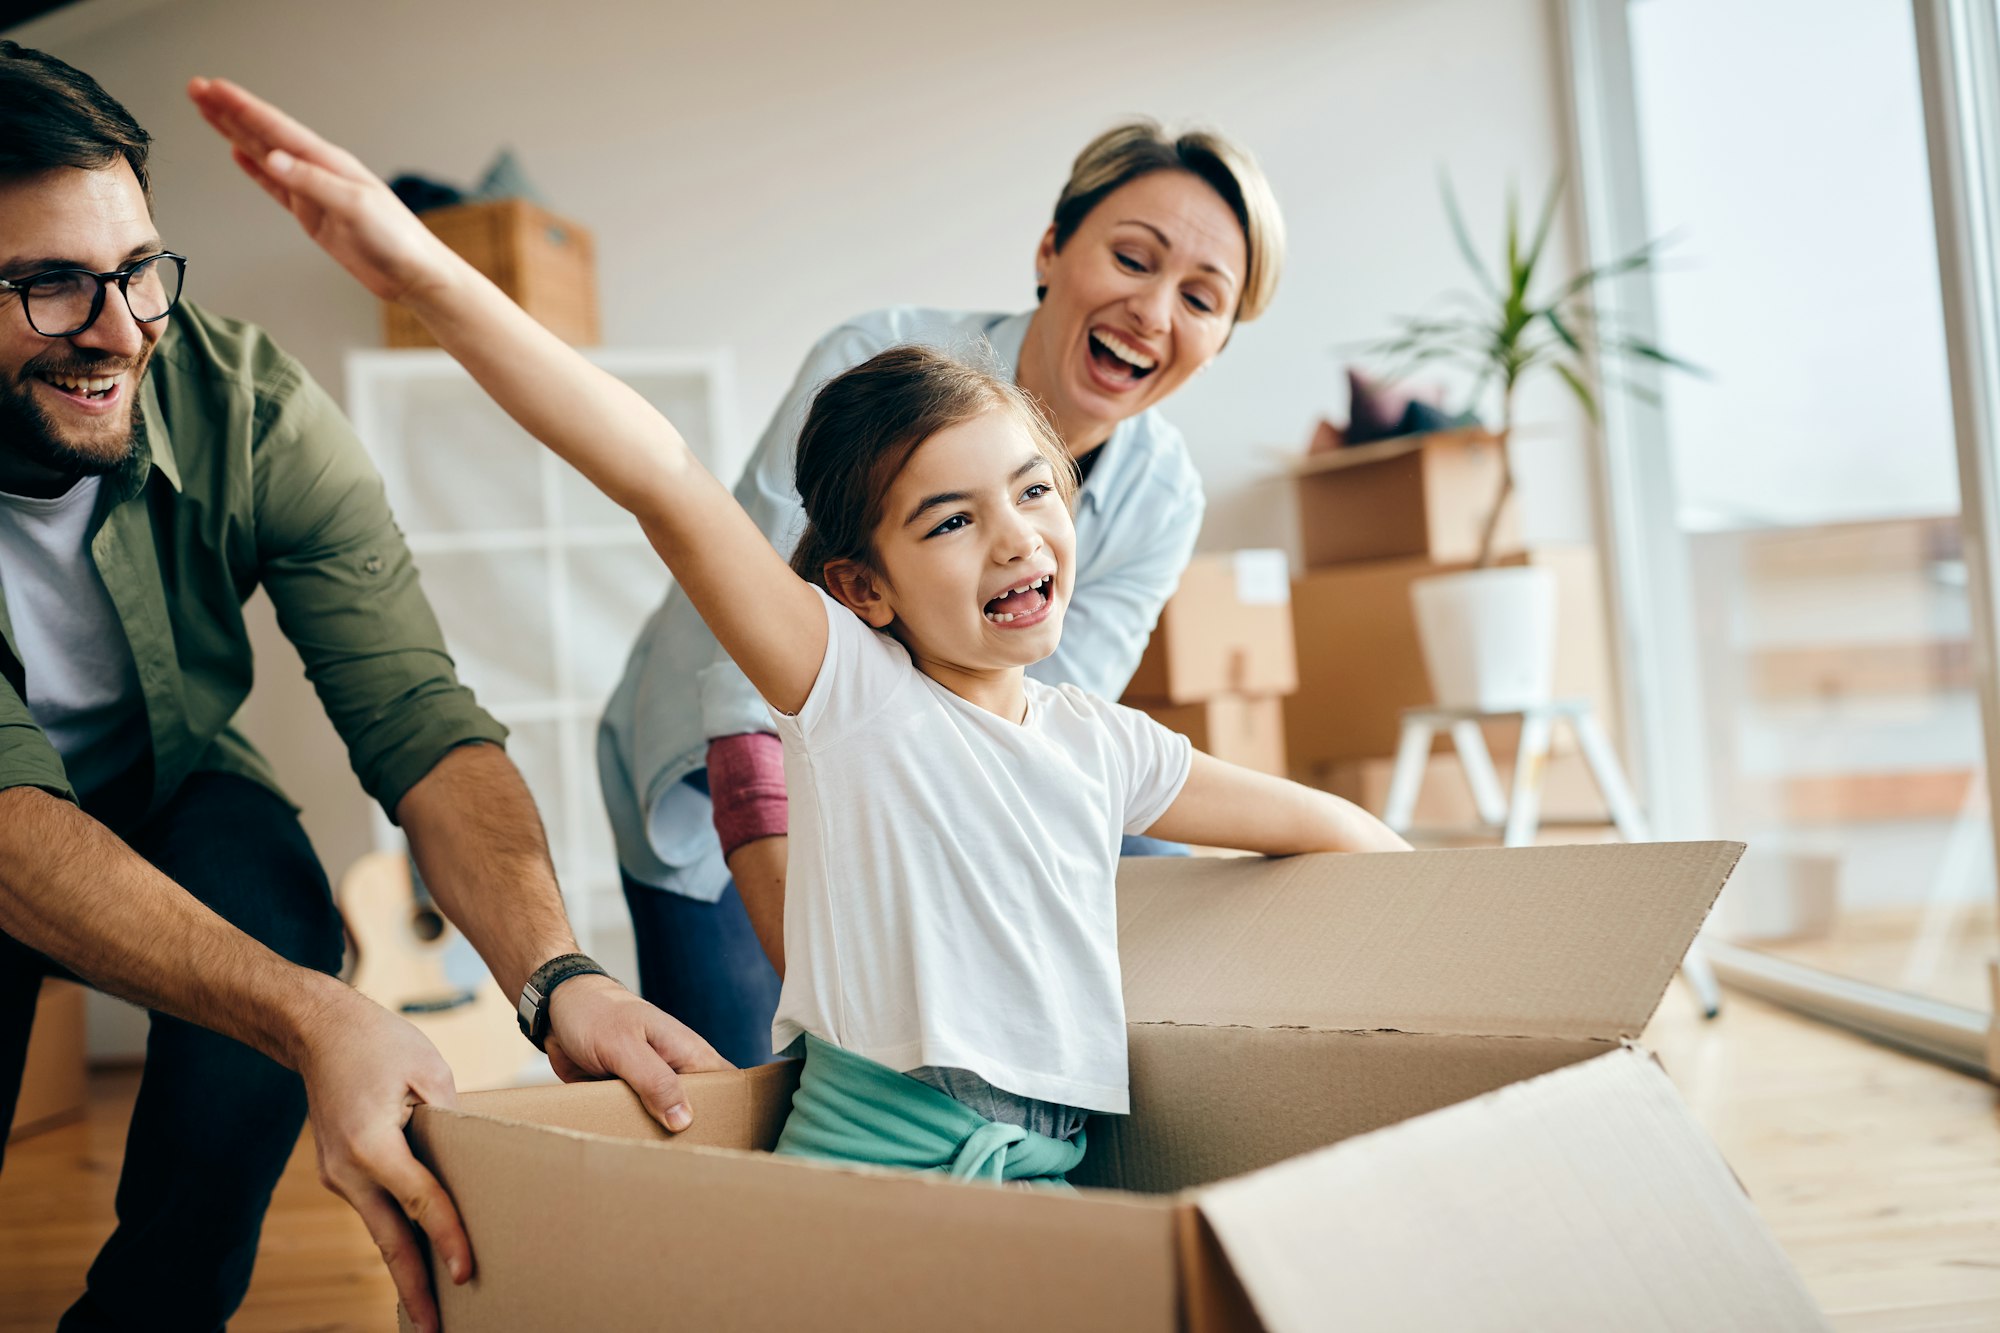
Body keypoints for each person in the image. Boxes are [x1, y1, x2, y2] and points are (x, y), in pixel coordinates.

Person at [190, 76, 1409, 1188]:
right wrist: (429, 276)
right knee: (719, 1109)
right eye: (949, 519)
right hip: (873, 1152)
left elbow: (1322, 825)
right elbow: (662, 480)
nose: (1015, 539)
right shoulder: (852, 689)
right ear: (858, 588)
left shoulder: (1099, 737)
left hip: (1044, 1169)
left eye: (1037, 494)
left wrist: (1449, 919)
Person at [0, 45, 724, 1333]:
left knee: (276, 903)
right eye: (52, 285)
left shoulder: (247, 404)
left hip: (167, 779)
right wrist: (320, 1019)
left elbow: (417, 717)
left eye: (135, 274)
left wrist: (562, 977)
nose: (119, 332)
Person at [600, 118, 1290, 1068]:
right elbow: (745, 666)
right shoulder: (872, 359)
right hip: (723, 760)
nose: (1153, 312)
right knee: (743, 1092)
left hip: (916, 775)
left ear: (1217, 342)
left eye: (1203, 300)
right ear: (1052, 249)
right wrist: (828, 982)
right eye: (1133, 258)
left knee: (1151, 872)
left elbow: (1036, 731)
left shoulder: (1163, 497)